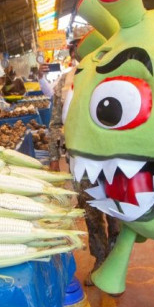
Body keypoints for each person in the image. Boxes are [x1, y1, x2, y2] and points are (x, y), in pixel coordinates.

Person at [48, 49, 120, 287]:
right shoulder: (66, 81)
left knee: (117, 209)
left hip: (114, 157)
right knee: (90, 211)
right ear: (74, 54)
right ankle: (100, 260)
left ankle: (116, 262)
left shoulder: (115, 72)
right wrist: (53, 157)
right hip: (81, 159)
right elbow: (56, 121)